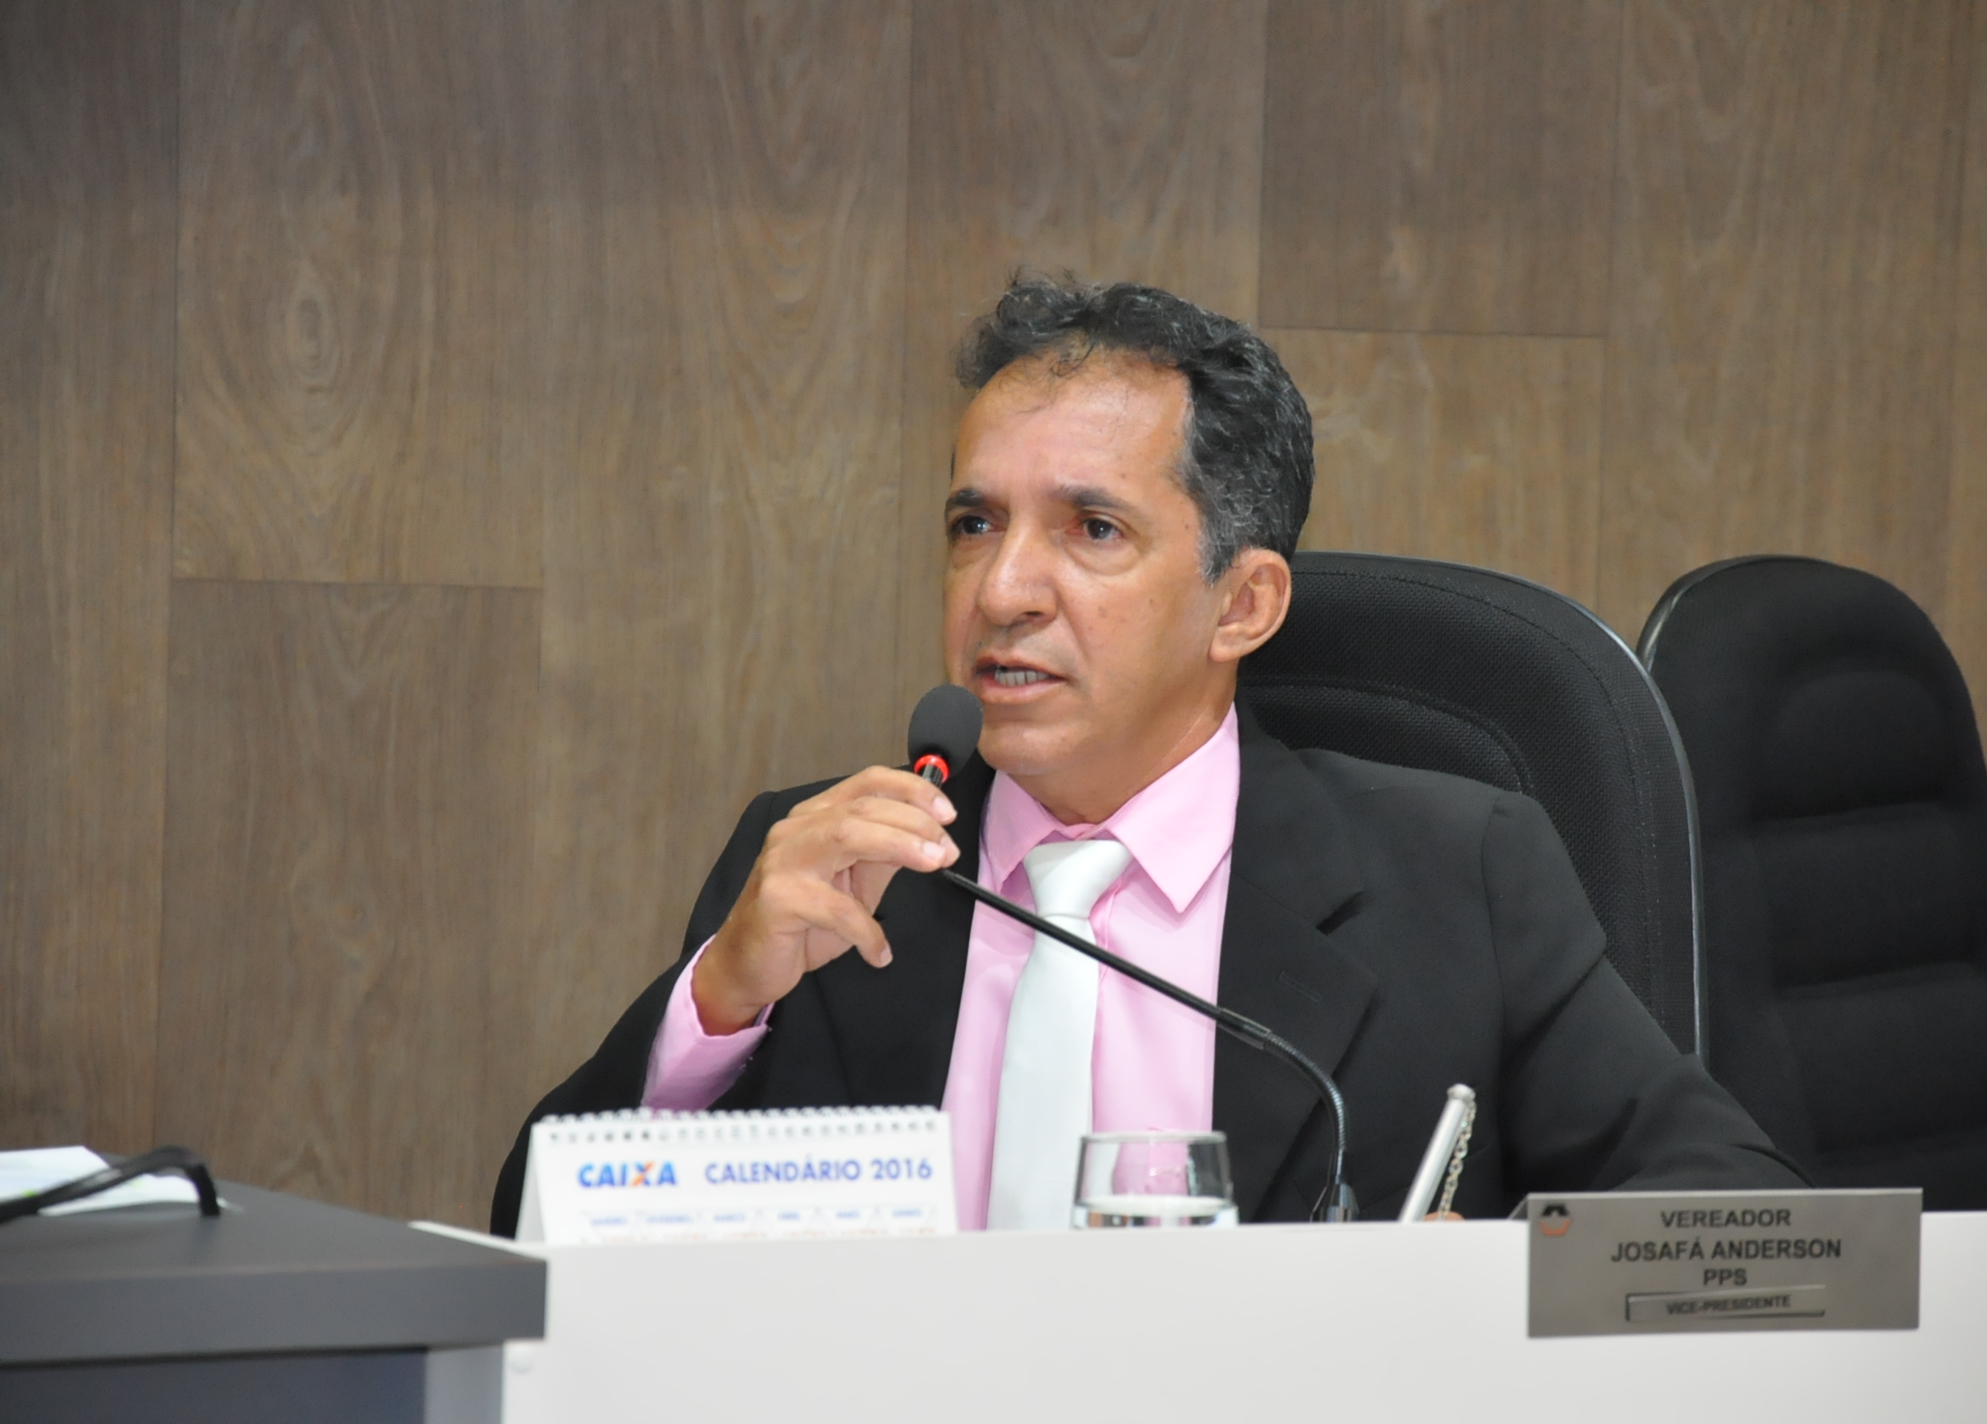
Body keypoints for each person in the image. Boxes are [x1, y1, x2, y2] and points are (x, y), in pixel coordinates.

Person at [491, 275, 1805, 1235]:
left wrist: (1480, 1292)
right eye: (973, 524)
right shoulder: (830, 874)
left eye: (1093, 531)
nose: (1002, 589)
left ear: (1243, 604)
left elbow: (1740, 1221)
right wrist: (720, 1000)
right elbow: (530, 1244)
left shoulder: (1456, 877)